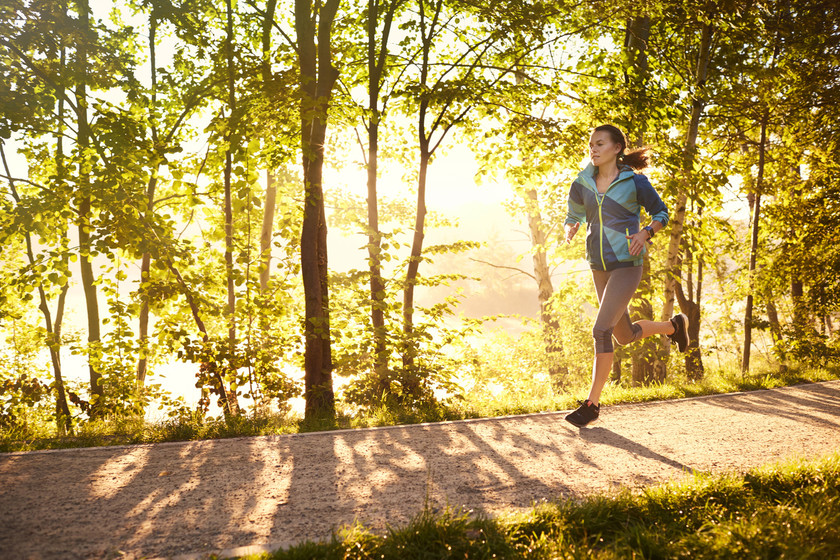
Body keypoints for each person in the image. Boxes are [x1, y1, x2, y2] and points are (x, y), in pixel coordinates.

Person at [563, 124, 689, 428]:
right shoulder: (582, 182)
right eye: (591, 144)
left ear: (617, 148)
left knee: (600, 330)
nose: (593, 149)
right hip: (599, 264)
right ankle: (673, 327)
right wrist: (571, 225)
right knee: (623, 335)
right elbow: (575, 212)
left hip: (627, 264)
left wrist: (646, 233)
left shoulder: (635, 182)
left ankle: (591, 405)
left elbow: (661, 213)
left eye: (600, 144)